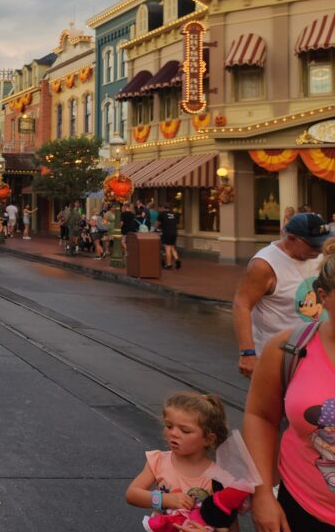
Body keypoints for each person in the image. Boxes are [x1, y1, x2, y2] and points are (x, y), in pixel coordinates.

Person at [244, 257, 335, 531]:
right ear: (324, 297)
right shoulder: (288, 348)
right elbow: (260, 416)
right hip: (304, 510)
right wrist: (262, 493)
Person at [233, 212, 329, 378]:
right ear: (291, 238)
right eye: (313, 245)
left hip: (315, 353)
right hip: (278, 357)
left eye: (321, 243)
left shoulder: (319, 256)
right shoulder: (264, 265)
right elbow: (242, 304)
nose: (319, 249)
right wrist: (247, 353)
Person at [125, 392, 234, 525]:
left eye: (185, 430)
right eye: (169, 426)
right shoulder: (158, 461)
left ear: (208, 439)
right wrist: (166, 499)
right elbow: (132, 494)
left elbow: (228, 523)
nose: (173, 433)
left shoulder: (218, 478)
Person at [158, 203, 180, 269]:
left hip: (167, 232)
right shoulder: (174, 214)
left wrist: (156, 228)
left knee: (167, 248)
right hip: (174, 232)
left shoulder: (162, 214)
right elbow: (176, 222)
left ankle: (169, 265)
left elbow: (157, 223)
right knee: (172, 247)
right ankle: (177, 260)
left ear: (163, 208)